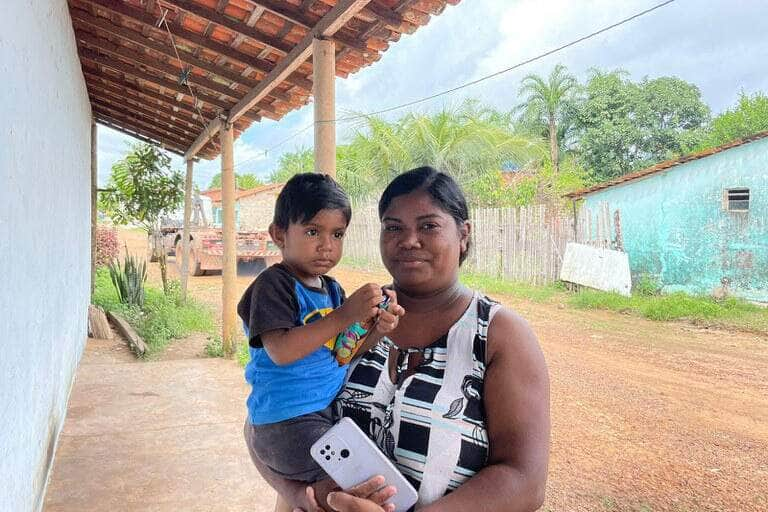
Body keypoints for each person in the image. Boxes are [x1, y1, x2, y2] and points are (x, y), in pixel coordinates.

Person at [254, 167, 550, 512]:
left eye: (428, 226)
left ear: (464, 234)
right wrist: (303, 496)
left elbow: (524, 481)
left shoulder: (498, 334)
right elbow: (267, 423)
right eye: (393, 227)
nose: (409, 240)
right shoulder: (359, 312)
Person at [237, 173, 404, 509]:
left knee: (371, 479)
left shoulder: (330, 289)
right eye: (313, 231)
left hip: (317, 414)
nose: (327, 245)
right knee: (351, 484)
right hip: (284, 421)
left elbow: (343, 353)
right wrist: (345, 315)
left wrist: (376, 330)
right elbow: (282, 351)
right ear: (279, 234)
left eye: (337, 234)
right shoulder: (274, 285)